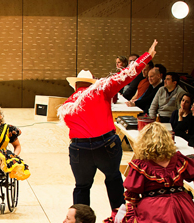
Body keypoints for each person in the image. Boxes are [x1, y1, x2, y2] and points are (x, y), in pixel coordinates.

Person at [58, 40, 156, 210]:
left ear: (75, 85)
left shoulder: (68, 104)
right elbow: (127, 74)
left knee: (81, 187)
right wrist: (147, 56)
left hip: (79, 149)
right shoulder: (101, 89)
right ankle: (119, 221)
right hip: (105, 145)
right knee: (113, 179)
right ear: (92, 81)